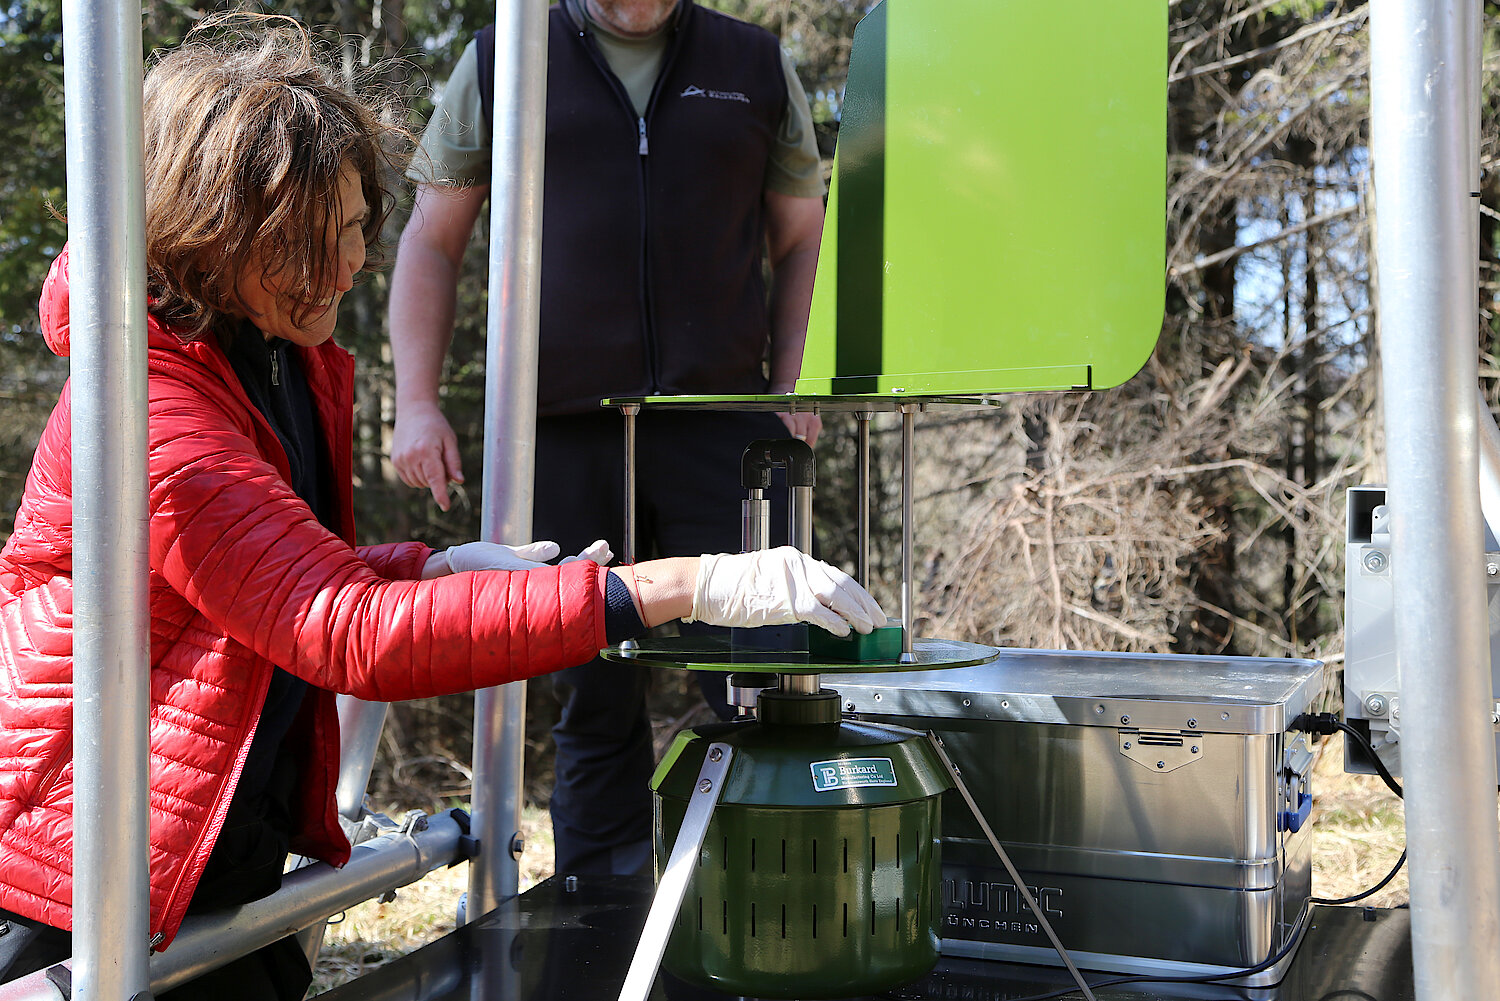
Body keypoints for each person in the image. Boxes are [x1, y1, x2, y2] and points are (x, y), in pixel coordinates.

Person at [0, 16, 883, 1000]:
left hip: (200, 851)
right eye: (320, 242)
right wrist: (683, 585)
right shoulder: (152, 410)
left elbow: (272, 579)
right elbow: (343, 631)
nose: (353, 268)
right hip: (79, 886)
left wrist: (434, 566)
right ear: (220, 234)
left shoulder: (263, 360)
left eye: (356, 233)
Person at [389, 0, 828, 879]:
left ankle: (775, 906)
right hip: (557, 430)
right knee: (590, 691)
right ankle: (592, 925)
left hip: (728, 427)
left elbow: (803, 241)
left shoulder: (753, 62)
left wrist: (793, 380)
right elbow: (433, 240)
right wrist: (416, 401)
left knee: (762, 679)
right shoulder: (503, 57)